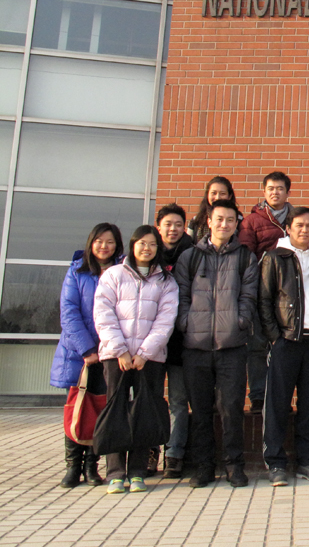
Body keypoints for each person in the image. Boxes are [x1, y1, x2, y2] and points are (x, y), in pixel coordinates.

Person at [175, 199, 259, 488]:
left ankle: (234, 466)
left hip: (232, 345)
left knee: (231, 408)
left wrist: (241, 321)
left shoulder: (245, 257)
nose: (225, 225)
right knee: (199, 409)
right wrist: (186, 322)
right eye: (219, 219)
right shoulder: (190, 256)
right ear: (208, 221)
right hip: (195, 346)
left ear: (237, 224)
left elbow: (249, 296)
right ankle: (203, 466)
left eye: (230, 220)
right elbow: (181, 295)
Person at [93, 225, 179, 494]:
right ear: (132, 245)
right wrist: (120, 350)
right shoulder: (113, 275)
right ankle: (116, 473)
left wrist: (144, 354)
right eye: (142, 243)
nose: (147, 248)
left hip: (149, 359)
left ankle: (139, 471)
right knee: (116, 410)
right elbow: (103, 313)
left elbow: (166, 321)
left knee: (144, 411)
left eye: (152, 244)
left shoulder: (166, 281)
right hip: (115, 356)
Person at [258, 206, 309, 486]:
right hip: (286, 341)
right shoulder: (274, 257)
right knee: (277, 403)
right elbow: (263, 300)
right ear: (288, 228)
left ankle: (308, 460)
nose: (304, 230)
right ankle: (275, 463)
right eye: (299, 225)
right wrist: (274, 336)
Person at [50, 223, 123, 488]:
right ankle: (73, 466)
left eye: (110, 242)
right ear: (91, 242)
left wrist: (107, 348)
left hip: (108, 353)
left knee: (100, 409)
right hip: (79, 354)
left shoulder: (120, 272)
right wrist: (87, 350)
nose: (104, 246)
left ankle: (92, 466)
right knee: (77, 407)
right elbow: (69, 312)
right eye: (100, 241)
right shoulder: (77, 271)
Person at [239, 171, 294, 414]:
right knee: (258, 346)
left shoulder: (297, 217)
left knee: (286, 348)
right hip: (262, 291)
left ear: (287, 192)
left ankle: (282, 399)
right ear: (264, 191)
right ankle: (259, 397)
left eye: (280, 188)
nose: (275, 192)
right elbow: (245, 257)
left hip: (291, 293)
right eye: (270, 188)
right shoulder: (252, 221)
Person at [156, 203, 194, 479]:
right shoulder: (145, 253)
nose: (173, 229)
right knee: (151, 400)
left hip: (181, 342)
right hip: (149, 344)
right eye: (168, 224)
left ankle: (174, 454)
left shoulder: (192, 254)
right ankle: (147, 451)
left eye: (178, 224)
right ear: (159, 227)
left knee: (179, 402)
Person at [187, 176, 241, 242]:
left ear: (230, 196)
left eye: (222, 194)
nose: (217, 197)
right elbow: (188, 244)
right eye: (213, 193)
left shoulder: (240, 220)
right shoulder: (196, 220)